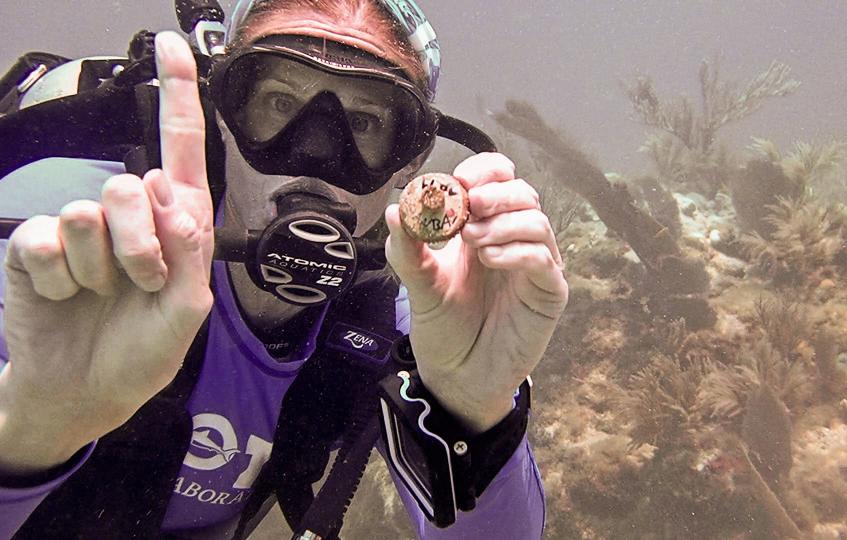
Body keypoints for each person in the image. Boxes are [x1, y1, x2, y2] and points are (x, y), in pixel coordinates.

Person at [0, 0, 568, 538]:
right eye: (278, 103)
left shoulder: (413, 322)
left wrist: (475, 411)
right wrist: (32, 428)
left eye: (365, 123)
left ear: (410, 161)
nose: (315, 157)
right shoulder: (65, 240)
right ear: (222, 115)